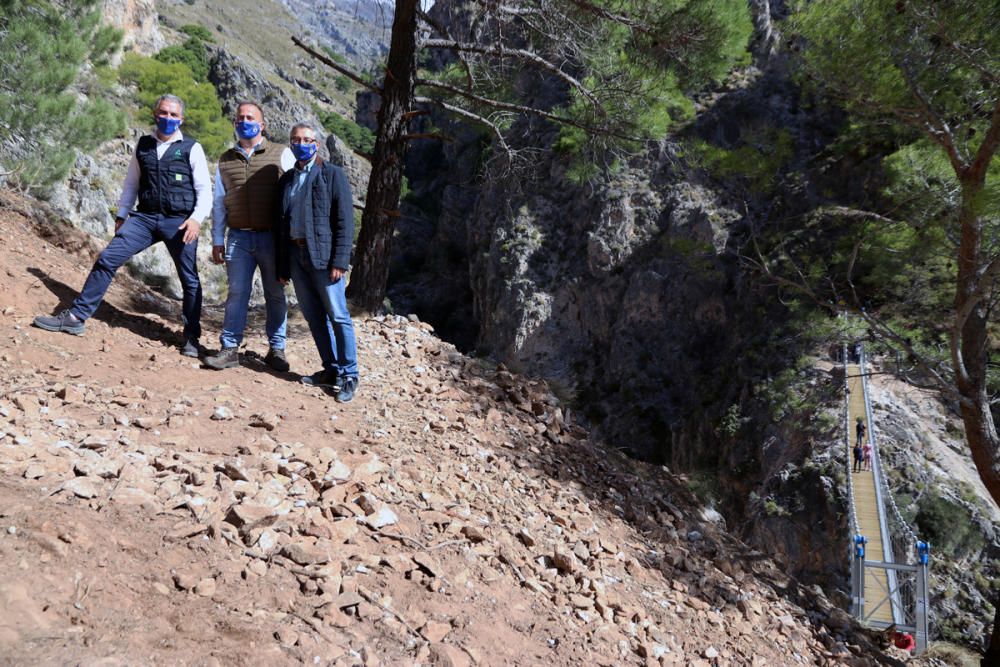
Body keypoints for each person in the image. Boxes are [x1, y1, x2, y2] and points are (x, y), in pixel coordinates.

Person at [34, 94, 210, 357]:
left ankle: (192, 339)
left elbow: (204, 189)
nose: (168, 119)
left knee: (190, 280)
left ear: (181, 119)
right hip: (145, 218)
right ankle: (76, 318)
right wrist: (122, 214)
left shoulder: (191, 148)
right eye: (163, 113)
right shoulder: (144, 145)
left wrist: (196, 219)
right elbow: (131, 184)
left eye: (174, 115)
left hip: (180, 222)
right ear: (155, 113)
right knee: (107, 258)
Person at [203, 102, 295, 371]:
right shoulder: (225, 159)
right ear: (235, 123)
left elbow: (295, 195)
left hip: (272, 239)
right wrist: (217, 240)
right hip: (238, 239)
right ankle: (229, 349)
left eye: (250, 118)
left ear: (262, 124)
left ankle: (277, 350)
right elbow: (220, 203)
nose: (245, 122)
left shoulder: (282, 154)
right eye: (240, 118)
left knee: (275, 294)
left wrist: (289, 242)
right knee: (236, 293)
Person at [274, 122, 359, 403]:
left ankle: (349, 374)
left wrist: (340, 261)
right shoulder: (286, 180)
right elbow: (281, 225)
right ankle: (331, 369)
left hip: (325, 259)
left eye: (306, 139)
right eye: (296, 139)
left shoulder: (333, 175)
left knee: (338, 316)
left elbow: (345, 222)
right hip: (297, 258)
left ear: (316, 144)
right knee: (313, 317)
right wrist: (283, 266)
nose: (301, 143)